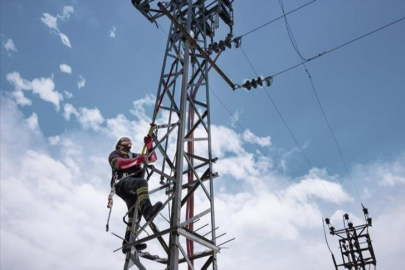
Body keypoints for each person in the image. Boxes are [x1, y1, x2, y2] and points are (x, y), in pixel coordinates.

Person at [108, 136, 162, 253]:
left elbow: (152, 158)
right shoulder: (115, 154)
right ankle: (148, 210)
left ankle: (128, 242)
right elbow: (120, 164)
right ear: (119, 145)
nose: (129, 142)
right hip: (121, 183)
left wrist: (149, 146)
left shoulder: (134, 155)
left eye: (130, 141)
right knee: (141, 183)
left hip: (131, 187)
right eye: (125, 141)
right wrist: (138, 160)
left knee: (135, 213)